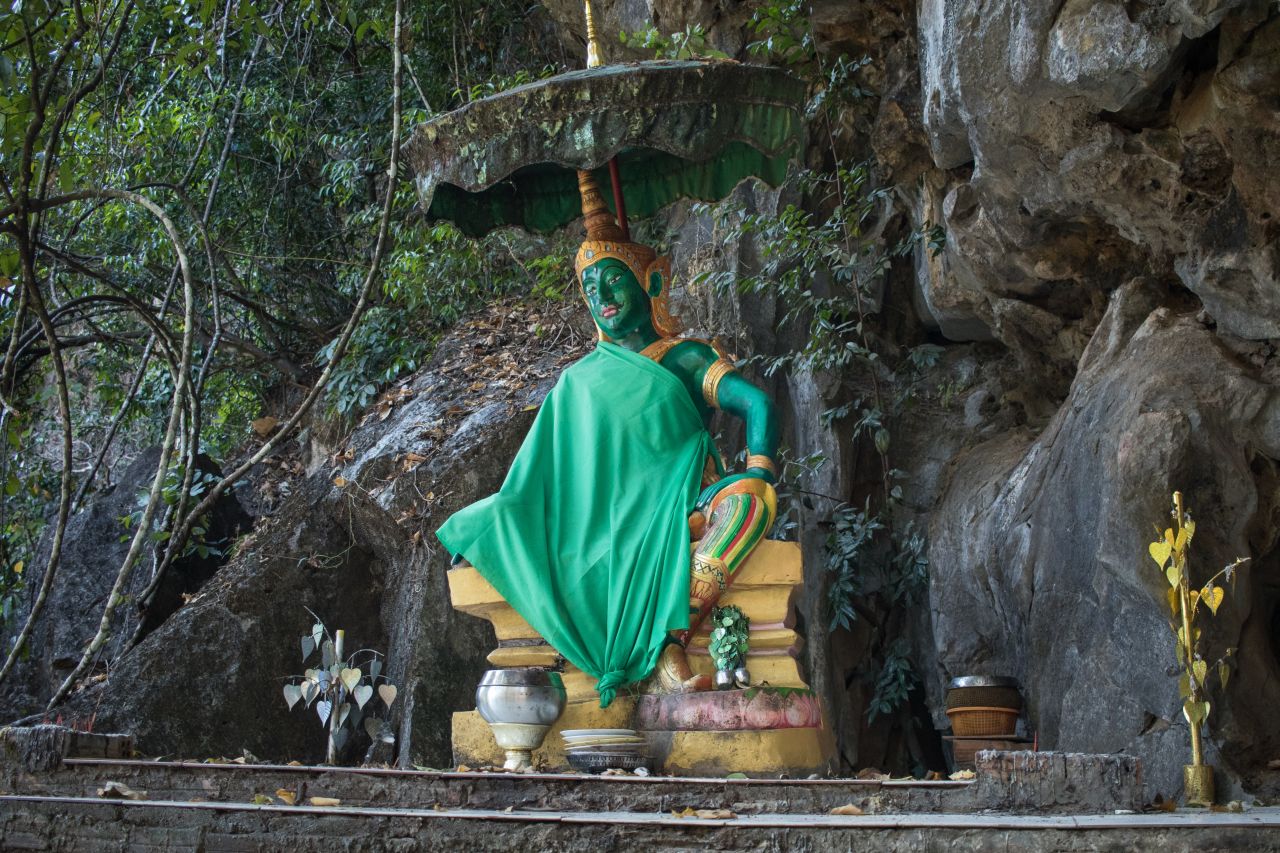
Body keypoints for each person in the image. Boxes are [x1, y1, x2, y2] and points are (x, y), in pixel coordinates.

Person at [437, 171, 780, 707]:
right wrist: (504, 517)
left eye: (614, 280)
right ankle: (659, 654)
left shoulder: (685, 358)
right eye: (590, 288)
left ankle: (670, 642)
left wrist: (759, 470)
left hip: (684, 503)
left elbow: (757, 403)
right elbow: (543, 475)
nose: (603, 297)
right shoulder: (578, 382)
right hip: (606, 519)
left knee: (749, 505)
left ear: (652, 283)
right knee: (503, 520)